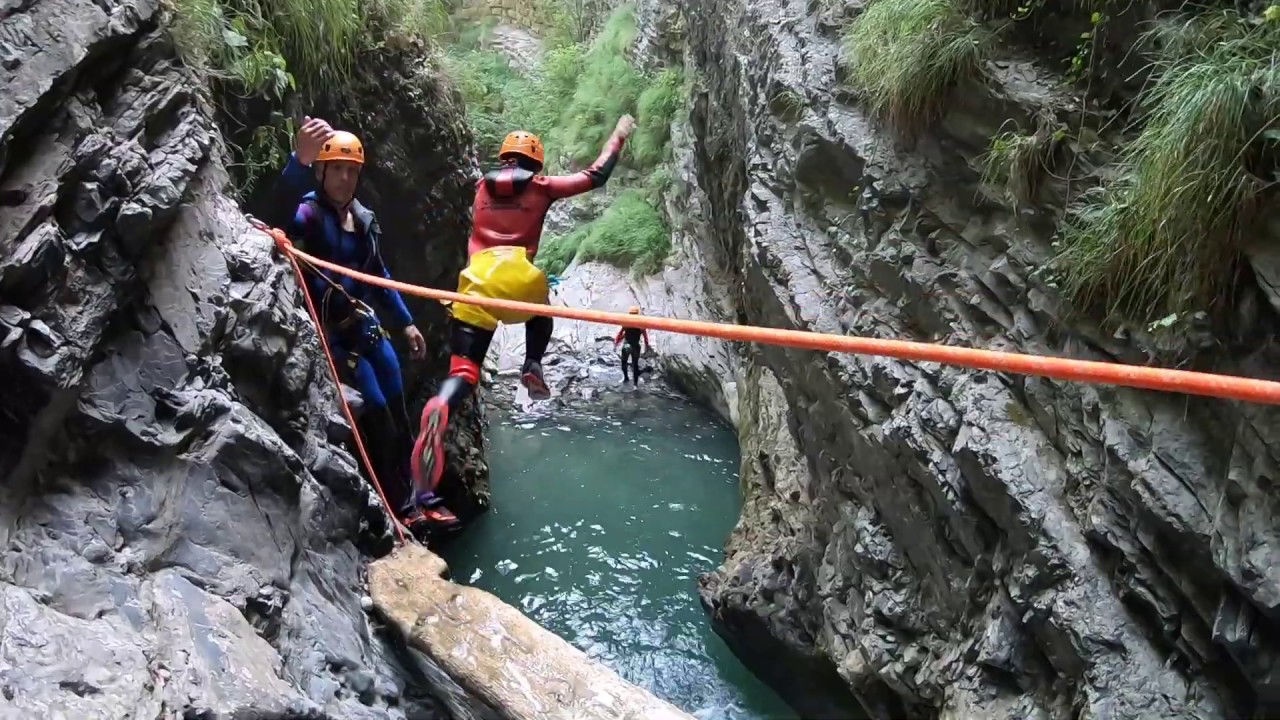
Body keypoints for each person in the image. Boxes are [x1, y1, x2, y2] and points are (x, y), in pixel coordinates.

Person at [409, 115, 637, 506]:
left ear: (504, 158)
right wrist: (618, 137)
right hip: (520, 277)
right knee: (540, 309)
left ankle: (441, 402)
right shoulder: (541, 186)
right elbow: (595, 176)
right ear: (536, 162)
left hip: (476, 281)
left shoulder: (480, 185)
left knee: (464, 371)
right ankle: (532, 364)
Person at [280, 119, 461, 536]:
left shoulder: (363, 221)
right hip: (338, 339)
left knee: (400, 412)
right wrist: (298, 162)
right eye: (337, 169)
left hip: (368, 328)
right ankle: (398, 504)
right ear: (322, 172)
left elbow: (378, 274)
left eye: (352, 170)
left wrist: (408, 324)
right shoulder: (308, 214)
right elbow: (277, 218)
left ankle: (423, 495)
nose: (345, 178)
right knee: (377, 415)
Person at [614, 306, 651, 386]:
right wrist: (647, 346)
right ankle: (635, 384)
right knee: (635, 365)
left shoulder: (626, 323)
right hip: (635, 347)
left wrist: (616, 342)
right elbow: (645, 337)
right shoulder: (641, 324)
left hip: (626, 346)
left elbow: (621, 334)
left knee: (624, 363)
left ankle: (626, 378)